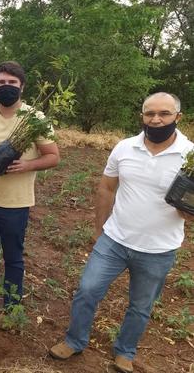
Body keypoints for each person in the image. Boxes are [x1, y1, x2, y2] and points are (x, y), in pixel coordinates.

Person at [49, 92, 194, 373]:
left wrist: (187, 210)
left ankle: (125, 352)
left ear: (178, 117)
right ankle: (74, 341)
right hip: (114, 240)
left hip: (158, 249)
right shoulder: (125, 147)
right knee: (87, 290)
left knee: (140, 306)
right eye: (149, 113)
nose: (156, 119)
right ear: (142, 116)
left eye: (164, 114)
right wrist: (99, 229)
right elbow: (106, 187)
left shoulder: (190, 156)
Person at [0, 61, 60, 326]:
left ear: (22, 87)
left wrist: (27, 165)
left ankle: (12, 305)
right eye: (1, 83)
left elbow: (53, 157)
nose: (6, 88)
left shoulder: (35, 119)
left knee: (13, 256)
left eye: (12, 83)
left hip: (16, 204)